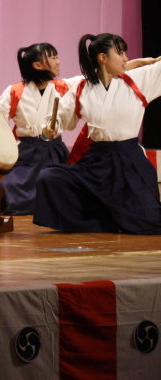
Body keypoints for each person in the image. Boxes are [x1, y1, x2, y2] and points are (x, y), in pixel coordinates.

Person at [34, 33, 161, 234]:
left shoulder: (138, 80)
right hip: (97, 161)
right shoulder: (82, 88)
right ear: (103, 58)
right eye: (120, 53)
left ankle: (122, 217)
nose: (126, 58)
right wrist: (47, 130)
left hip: (130, 160)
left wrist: (142, 63)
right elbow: (57, 120)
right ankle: (104, 222)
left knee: (151, 221)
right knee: (49, 178)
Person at [0, 43, 82, 216]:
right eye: (54, 57)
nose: (59, 62)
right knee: (6, 185)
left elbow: (92, 78)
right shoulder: (14, 91)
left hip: (54, 152)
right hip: (26, 153)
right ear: (38, 65)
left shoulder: (63, 87)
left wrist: (133, 66)